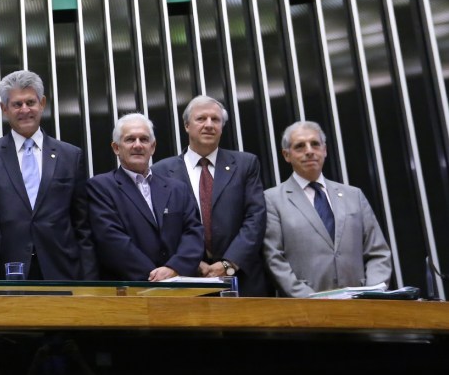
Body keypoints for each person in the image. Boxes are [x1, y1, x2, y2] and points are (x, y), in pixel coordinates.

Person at [0, 70, 96, 280]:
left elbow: (82, 225)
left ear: (42, 103)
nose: (25, 110)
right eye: (17, 104)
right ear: (4, 109)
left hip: (63, 270)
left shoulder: (70, 155)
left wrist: (90, 279)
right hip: (5, 271)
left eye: (30, 102)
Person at [152, 96, 269, 295]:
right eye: (201, 119)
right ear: (187, 125)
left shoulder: (245, 164)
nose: (209, 125)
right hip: (184, 280)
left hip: (241, 280)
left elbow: (255, 218)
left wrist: (228, 264)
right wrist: (190, 261)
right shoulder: (161, 170)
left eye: (215, 120)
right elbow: (159, 226)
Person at [264, 121, 392, 296]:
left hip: (360, 306)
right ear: (286, 155)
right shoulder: (272, 199)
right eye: (300, 146)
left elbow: (378, 252)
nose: (309, 151)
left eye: (315, 144)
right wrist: (308, 298)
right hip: (305, 308)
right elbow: (274, 259)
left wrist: (372, 293)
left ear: (324, 150)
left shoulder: (353, 195)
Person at [86, 113, 203, 281]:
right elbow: (111, 240)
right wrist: (155, 276)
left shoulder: (177, 189)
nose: (138, 145)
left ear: (153, 147)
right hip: (130, 291)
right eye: (130, 139)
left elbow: (193, 233)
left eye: (144, 139)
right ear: (116, 148)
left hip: (180, 287)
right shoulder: (100, 187)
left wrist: (174, 268)